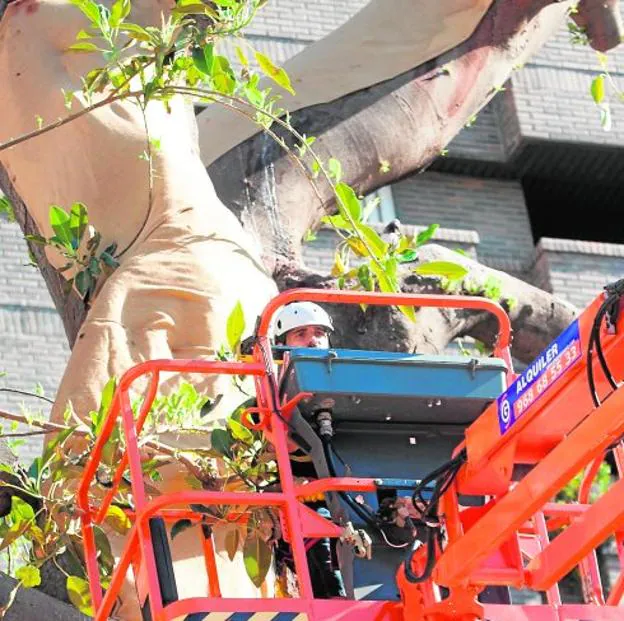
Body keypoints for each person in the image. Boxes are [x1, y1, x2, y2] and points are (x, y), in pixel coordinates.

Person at [272, 302, 347, 599]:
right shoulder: (263, 403)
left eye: (319, 333)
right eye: (300, 334)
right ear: (282, 347)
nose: (312, 340)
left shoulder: (351, 392)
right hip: (309, 515)